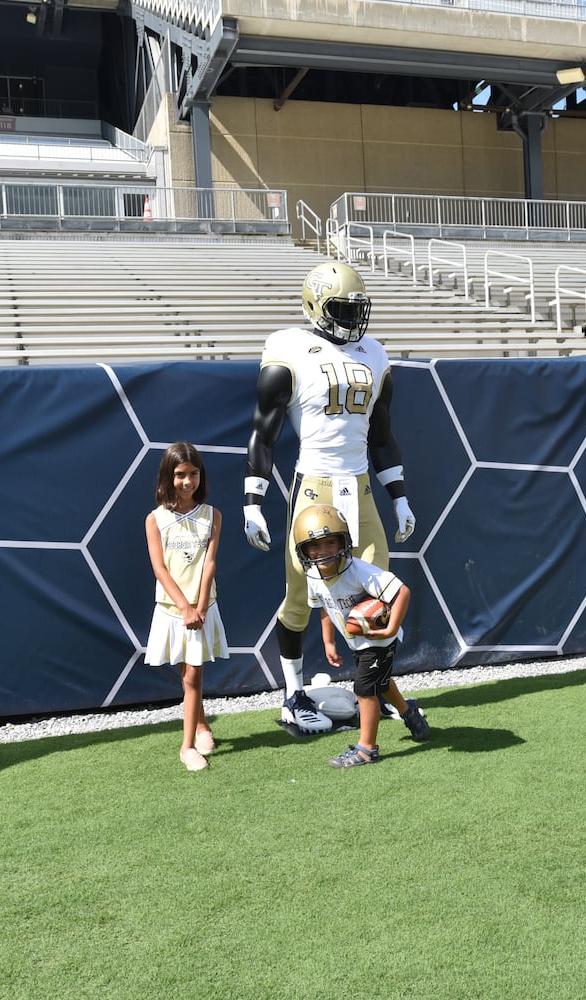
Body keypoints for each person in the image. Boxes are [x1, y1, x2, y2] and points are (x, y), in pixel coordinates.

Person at [244, 261, 417, 736]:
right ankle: (293, 695)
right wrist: (252, 500)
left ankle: (375, 688)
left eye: (356, 308)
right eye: (341, 308)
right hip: (315, 485)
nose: (352, 318)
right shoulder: (289, 346)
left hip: (359, 486)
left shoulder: (375, 354)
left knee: (376, 593)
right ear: (315, 305)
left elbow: (382, 436)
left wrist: (398, 496)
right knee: (299, 595)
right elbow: (265, 429)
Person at [292, 505, 429, 768]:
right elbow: (322, 606)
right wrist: (328, 640)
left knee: (365, 689)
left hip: (378, 640)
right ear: (303, 550)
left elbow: (402, 592)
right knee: (381, 682)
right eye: (315, 546)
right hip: (357, 641)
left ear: (344, 541)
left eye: (330, 542)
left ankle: (367, 748)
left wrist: (389, 630)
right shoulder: (313, 576)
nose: (322, 552)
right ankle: (409, 713)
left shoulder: (359, 571)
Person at [144, 441, 227, 771]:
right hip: (172, 610)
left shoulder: (213, 515)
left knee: (193, 674)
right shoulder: (155, 519)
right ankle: (197, 733)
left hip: (202, 608)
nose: (187, 482)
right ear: (168, 476)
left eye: (193, 474)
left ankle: (189, 743)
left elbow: (209, 562)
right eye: (180, 475)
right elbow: (159, 568)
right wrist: (184, 607)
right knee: (188, 673)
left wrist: (201, 605)